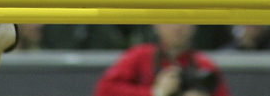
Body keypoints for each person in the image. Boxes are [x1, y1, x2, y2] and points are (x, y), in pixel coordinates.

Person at [92, 22, 232, 96]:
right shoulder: (139, 56)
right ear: (156, 25)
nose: (177, 28)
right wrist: (154, 93)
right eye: (170, 21)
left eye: (184, 20)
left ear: (194, 25)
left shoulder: (204, 65)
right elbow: (104, 90)